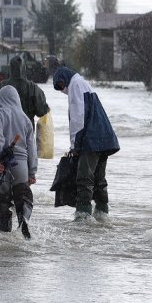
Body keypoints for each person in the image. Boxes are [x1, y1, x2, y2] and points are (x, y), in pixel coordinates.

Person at [52, 66, 119, 221]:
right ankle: (102, 213)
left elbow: (77, 119)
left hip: (92, 140)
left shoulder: (75, 85)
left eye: (61, 86)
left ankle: (83, 217)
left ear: (63, 79)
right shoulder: (83, 83)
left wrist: (75, 146)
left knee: (84, 178)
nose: (62, 91)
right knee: (99, 178)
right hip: (105, 138)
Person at [0, 85, 37, 238]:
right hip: (22, 164)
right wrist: (32, 171)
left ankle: (4, 234)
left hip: (4, 162)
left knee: (2, 201)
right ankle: (24, 221)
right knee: (22, 197)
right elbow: (32, 147)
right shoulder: (26, 119)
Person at [0, 55, 50, 128]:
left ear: (10, 68)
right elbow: (41, 111)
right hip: (27, 131)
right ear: (24, 68)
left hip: (4, 130)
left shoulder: (0, 87)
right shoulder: (33, 88)